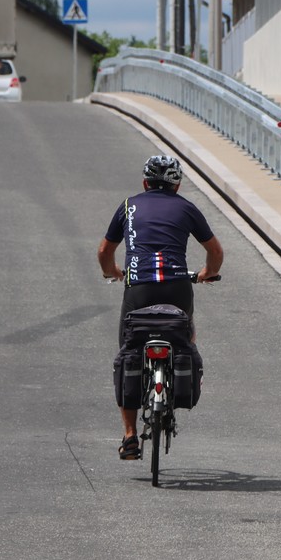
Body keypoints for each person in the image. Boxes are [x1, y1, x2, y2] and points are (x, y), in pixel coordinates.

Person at [98, 154, 223, 460]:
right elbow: (215, 251)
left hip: (138, 287)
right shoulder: (186, 207)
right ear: (177, 185)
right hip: (177, 286)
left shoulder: (129, 205)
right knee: (185, 334)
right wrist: (207, 273)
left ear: (144, 182)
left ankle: (129, 436)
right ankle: (180, 375)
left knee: (129, 349)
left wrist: (112, 272)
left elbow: (105, 250)